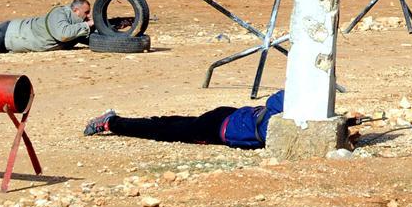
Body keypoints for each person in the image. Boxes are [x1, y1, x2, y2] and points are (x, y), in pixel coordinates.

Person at [83, 90, 284, 149]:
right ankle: (112, 123)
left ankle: (115, 122)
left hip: (230, 115)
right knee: (162, 130)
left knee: (169, 125)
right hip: (217, 127)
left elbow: (276, 99)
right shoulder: (275, 126)